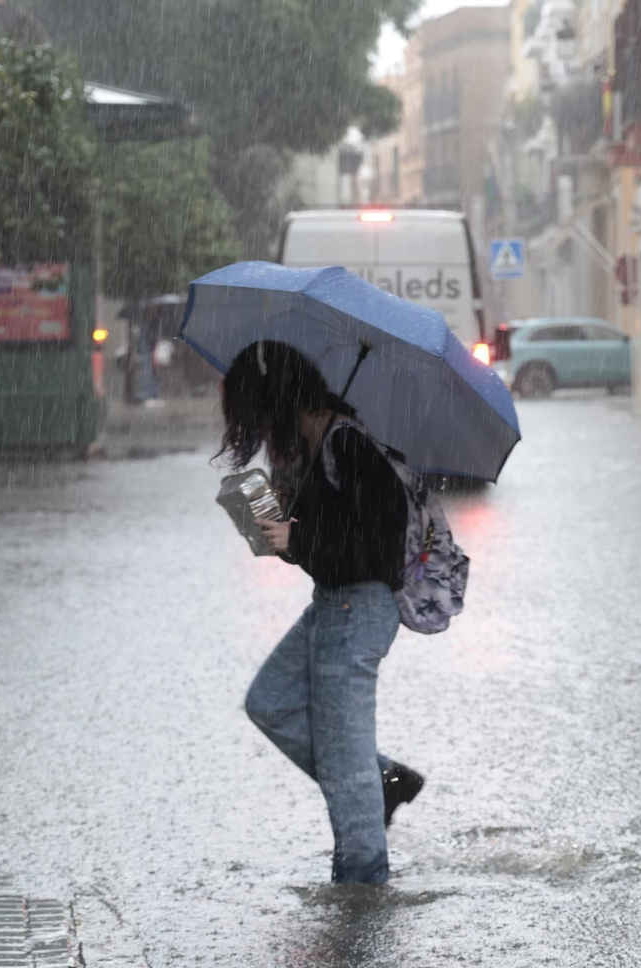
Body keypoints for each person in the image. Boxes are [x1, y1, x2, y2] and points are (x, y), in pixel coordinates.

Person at [223, 341, 425, 886]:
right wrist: (285, 529)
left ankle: (361, 885)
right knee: (270, 702)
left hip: (359, 608)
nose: (256, 433)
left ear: (277, 402)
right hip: (332, 604)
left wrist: (302, 534)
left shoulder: (350, 445)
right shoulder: (317, 448)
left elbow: (376, 551)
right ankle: (381, 777)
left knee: (342, 758)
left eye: (256, 416)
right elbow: (329, 545)